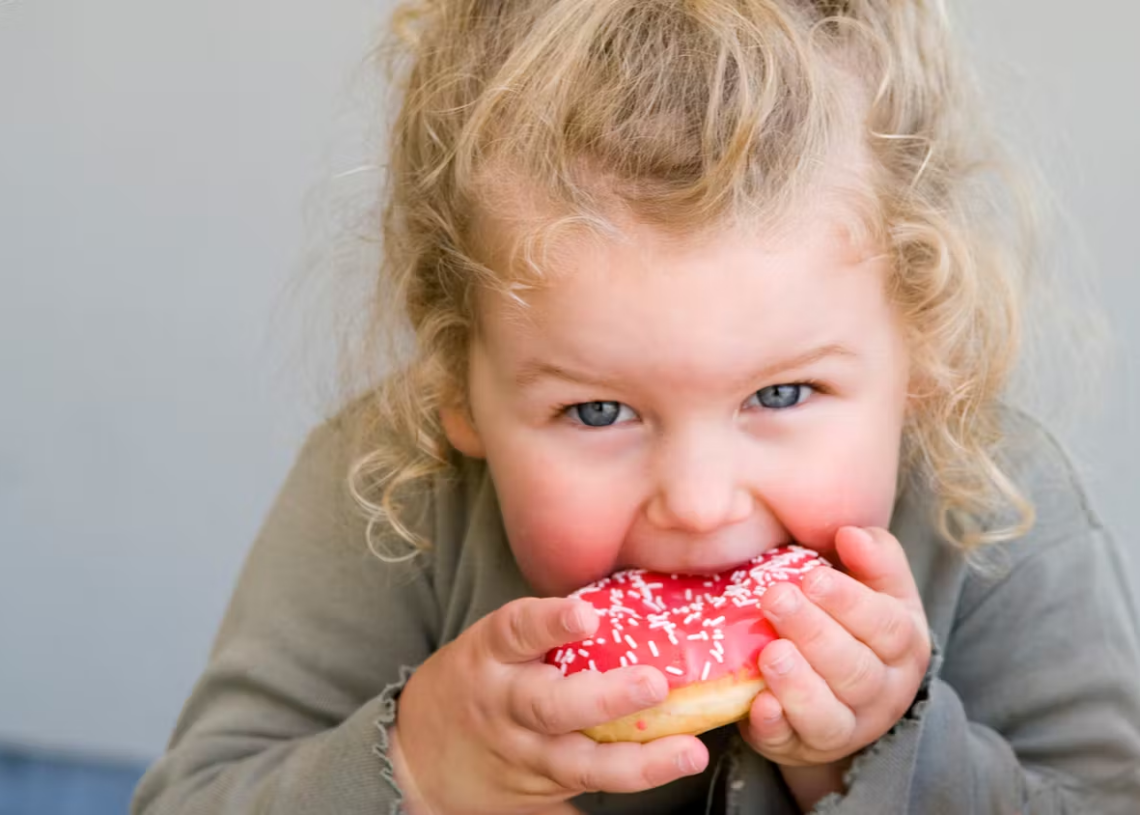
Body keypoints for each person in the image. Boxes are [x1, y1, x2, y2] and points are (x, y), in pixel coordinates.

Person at [131, 1, 1140, 813]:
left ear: (921, 356)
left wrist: (878, 757)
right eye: (599, 412)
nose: (699, 503)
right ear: (456, 385)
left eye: (782, 393)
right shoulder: (392, 491)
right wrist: (423, 769)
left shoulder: (997, 506)